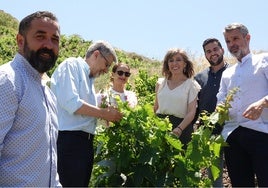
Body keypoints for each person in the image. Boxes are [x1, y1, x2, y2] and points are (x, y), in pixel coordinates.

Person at [0, 11, 61, 186]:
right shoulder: (8, 81)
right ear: (20, 41)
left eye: (54, 39)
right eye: (40, 36)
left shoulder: (48, 95)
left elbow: (48, 163)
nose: (48, 45)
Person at [50, 40, 123, 187]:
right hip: (69, 141)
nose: (106, 70)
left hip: (83, 144)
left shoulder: (89, 79)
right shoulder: (72, 65)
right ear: (96, 54)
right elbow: (71, 102)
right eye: (107, 65)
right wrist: (103, 113)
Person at [217, 23, 268, 187]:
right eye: (228, 41)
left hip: (261, 134)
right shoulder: (227, 73)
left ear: (248, 38)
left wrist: (263, 102)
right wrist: (218, 110)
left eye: (235, 38)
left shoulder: (264, 60)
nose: (232, 44)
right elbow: (220, 99)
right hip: (232, 136)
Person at [194, 38, 228, 187]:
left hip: (232, 131)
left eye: (215, 49)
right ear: (205, 55)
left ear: (222, 50)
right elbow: (195, 106)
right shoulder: (199, 78)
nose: (212, 53)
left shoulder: (233, 72)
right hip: (210, 134)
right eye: (208, 51)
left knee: (239, 173)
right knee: (215, 177)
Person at [154, 48, 200, 148]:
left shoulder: (191, 85)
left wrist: (179, 129)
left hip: (181, 129)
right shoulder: (160, 83)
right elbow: (156, 108)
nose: (174, 63)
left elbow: (191, 112)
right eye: (171, 60)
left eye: (178, 60)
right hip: (160, 126)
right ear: (167, 64)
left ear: (185, 64)